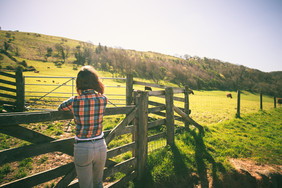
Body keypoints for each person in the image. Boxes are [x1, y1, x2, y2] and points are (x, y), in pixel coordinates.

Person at [58, 65, 108, 188]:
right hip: (101, 145)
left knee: (86, 186)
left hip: (83, 147)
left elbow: (60, 108)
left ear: (79, 83)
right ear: (95, 82)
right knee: (98, 183)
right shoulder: (103, 99)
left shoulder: (74, 101)